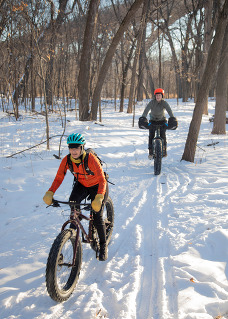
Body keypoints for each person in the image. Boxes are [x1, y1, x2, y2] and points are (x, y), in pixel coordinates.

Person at [43, 133, 109, 261]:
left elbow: (102, 179)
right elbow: (58, 178)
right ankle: (72, 235)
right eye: (71, 148)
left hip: (98, 186)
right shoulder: (66, 160)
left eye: (76, 147)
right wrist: (50, 192)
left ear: (82, 148)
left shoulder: (91, 159)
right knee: (73, 204)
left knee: (97, 215)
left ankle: (103, 245)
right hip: (82, 184)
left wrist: (99, 197)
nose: (73, 151)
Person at [140, 88, 177, 159]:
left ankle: (164, 150)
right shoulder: (152, 102)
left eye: (159, 95)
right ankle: (151, 152)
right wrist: (143, 117)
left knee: (163, 135)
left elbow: (169, 110)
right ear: (155, 96)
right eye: (157, 95)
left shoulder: (164, 103)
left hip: (162, 121)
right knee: (151, 135)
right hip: (153, 121)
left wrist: (172, 117)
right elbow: (146, 110)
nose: (158, 97)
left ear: (162, 96)